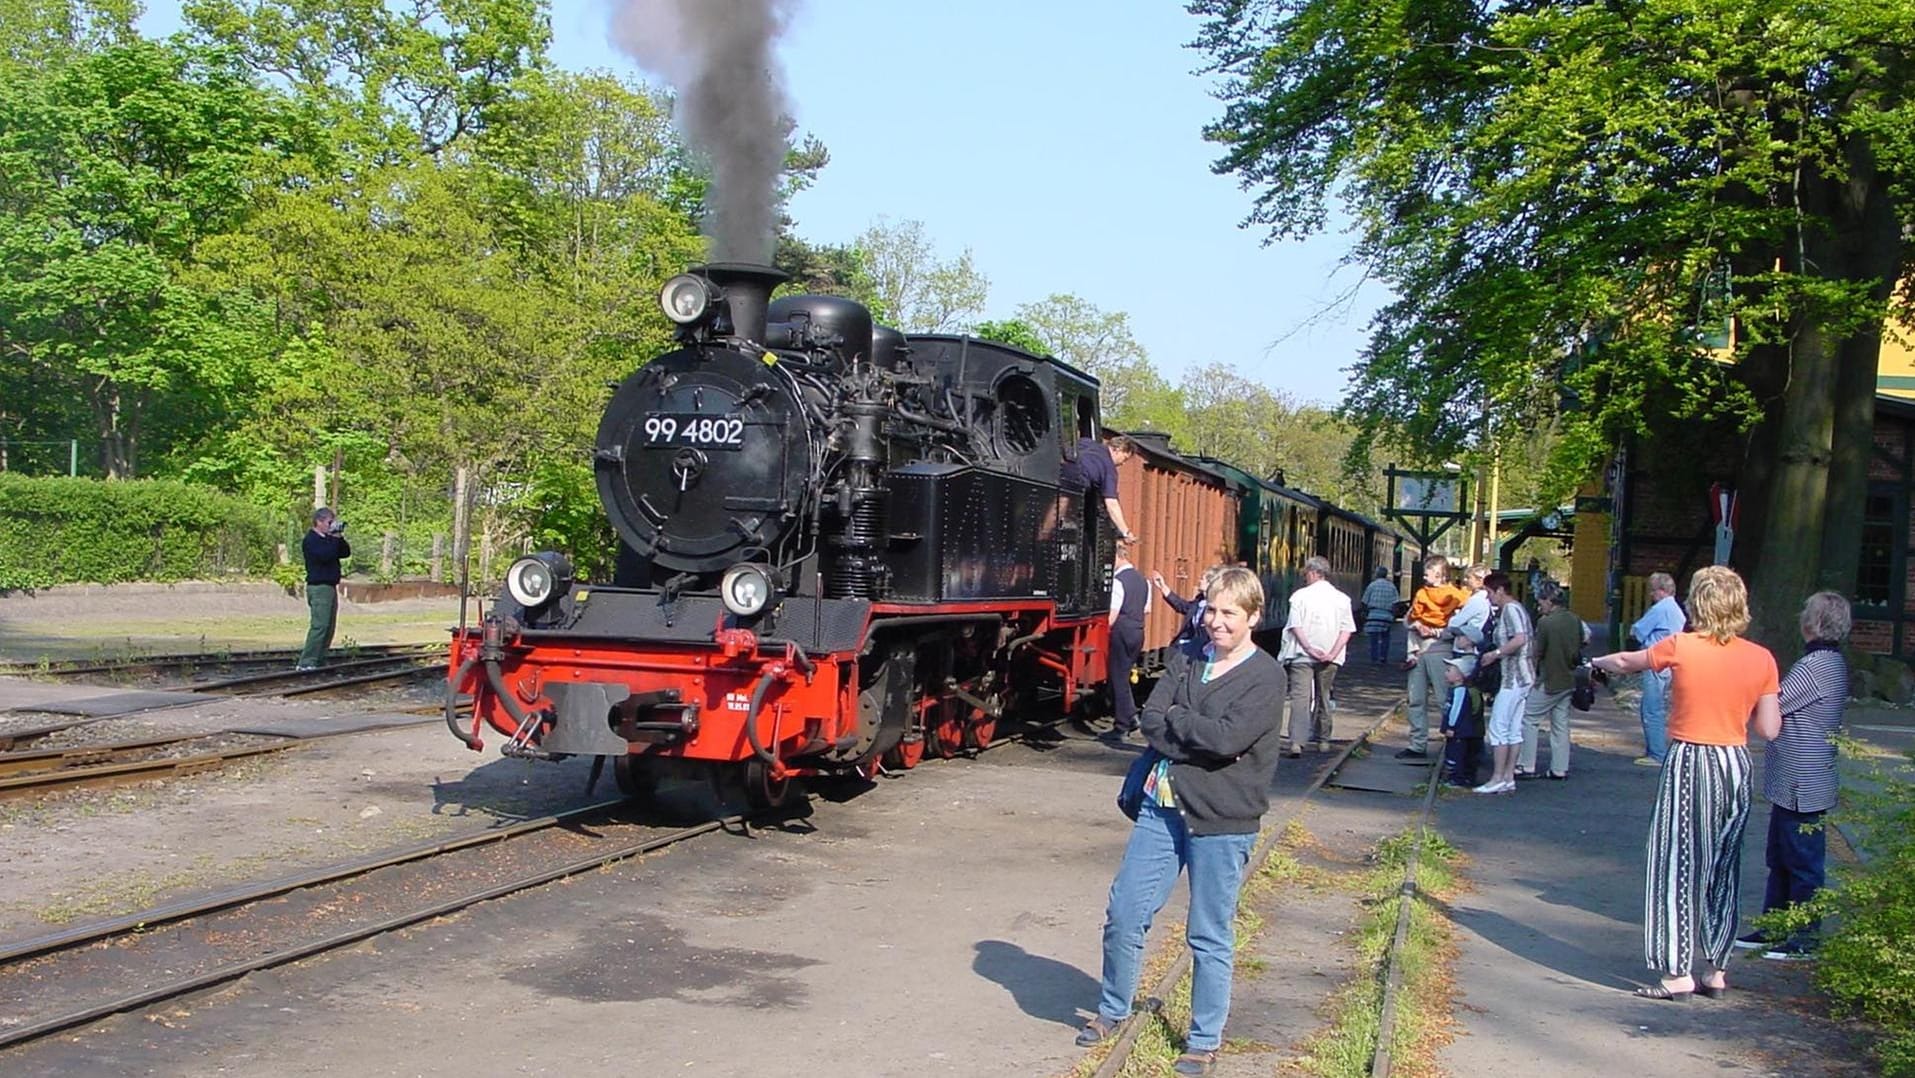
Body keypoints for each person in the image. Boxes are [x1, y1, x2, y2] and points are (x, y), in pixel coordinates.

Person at [1077, 567, 1285, 1077]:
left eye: (1228, 613)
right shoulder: (1187, 655)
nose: (1216, 621)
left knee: (1208, 933)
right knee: (1125, 912)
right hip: (1159, 805)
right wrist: (1188, 734)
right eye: (1211, 610)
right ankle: (1113, 1008)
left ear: (1253, 618)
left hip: (1222, 817)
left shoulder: (1266, 676)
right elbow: (1152, 719)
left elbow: (1227, 741)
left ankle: (1203, 1039)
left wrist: (1180, 727)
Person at [1590, 566, 1780, 1001]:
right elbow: (1769, 728)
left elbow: (1626, 662)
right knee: (1723, 865)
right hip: (1735, 762)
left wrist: (1596, 662)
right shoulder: (1762, 659)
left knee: (1676, 863)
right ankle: (1716, 968)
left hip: (1690, 759)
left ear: (1697, 604)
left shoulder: (1682, 645)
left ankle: (1677, 971)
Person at [1735, 591, 1850, 961]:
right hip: (1797, 776)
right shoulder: (1828, 662)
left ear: (1813, 623)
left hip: (1803, 778)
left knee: (1801, 861)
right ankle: (1776, 926)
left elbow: (1773, 701)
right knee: (1782, 857)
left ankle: (1804, 938)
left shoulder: (1815, 666)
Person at [1278, 555, 1355, 758]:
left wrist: (1309, 648)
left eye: (1306, 574)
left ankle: (1297, 742)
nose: (1305, 578)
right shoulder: (1342, 599)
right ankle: (1323, 741)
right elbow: (1347, 630)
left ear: (1313, 573)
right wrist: (1332, 652)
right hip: (1330, 657)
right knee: (1324, 696)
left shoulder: (1299, 597)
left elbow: (1295, 626)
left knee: (1300, 699)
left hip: (1301, 656)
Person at [1400, 556, 1471, 759]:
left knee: (1443, 698)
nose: (1424, 576)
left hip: (1440, 650)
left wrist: (1436, 632)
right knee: (1416, 698)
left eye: (1428, 573)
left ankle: (1453, 742)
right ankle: (1417, 744)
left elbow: (1460, 627)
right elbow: (1408, 619)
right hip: (1419, 650)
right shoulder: (1421, 593)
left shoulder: (1456, 597)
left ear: (1440, 574)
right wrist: (1415, 625)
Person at [1472, 571, 1534, 794]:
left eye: (1489, 592)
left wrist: (1495, 654)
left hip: (1513, 677)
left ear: (1500, 590)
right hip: (1524, 676)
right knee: (1514, 729)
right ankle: (1508, 777)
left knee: (1498, 726)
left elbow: (1520, 638)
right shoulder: (1518, 609)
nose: (1488, 598)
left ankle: (1497, 777)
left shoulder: (1510, 609)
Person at [1517, 580, 1581, 779]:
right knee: (1560, 724)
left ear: (1549, 601)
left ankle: (1526, 764)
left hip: (1549, 678)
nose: (1539, 606)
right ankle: (1559, 768)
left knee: (1529, 718)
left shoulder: (1545, 623)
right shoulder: (1574, 619)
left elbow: (1538, 651)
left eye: (1541, 601)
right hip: (1568, 677)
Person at [1630, 572, 1687, 766]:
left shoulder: (1660, 608)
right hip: (1669, 662)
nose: (1651, 595)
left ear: (1661, 591)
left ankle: (1656, 753)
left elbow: (1638, 630)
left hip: (1655, 661)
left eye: (1653, 591)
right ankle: (1656, 750)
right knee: (1657, 706)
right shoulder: (1677, 610)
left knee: (1651, 708)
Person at [1104, 543, 1150, 741]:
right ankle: (1131, 717)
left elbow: (1112, 615)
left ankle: (1122, 725)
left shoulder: (1118, 581)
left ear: (1117, 557)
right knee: (1123, 675)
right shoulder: (1143, 581)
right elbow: (1146, 609)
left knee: (1118, 678)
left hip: (1121, 631)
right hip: (1138, 630)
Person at [1061, 430, 1139, 544]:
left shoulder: (1087, 443)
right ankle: (1044, 537)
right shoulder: (1108, 469)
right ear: (1117, 450)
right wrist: (1125, 532)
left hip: (1056, 474)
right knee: (1062, 508)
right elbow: (1111, 503)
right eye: (1125, 458)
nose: (1123, 463)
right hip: (1071, 486)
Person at [299, 507, 351, 670]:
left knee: (329, 626)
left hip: (330, 586)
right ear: (319, 522)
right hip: (319, 586)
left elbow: (345, 552)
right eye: (329, 522)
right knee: (320, 625)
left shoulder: (330, 539)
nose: (331, 525)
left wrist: (338, 537)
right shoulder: (311, 540)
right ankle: (307, 661)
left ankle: (319, 659)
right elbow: (325, 556)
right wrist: (334, 540)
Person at [1404, 556, 1468, 667]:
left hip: (1420, 646)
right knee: (1441, 684)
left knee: (1416, 684)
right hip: (1442, 648)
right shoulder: (1457, 596)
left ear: (1438, 575)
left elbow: (1410, 618)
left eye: (1426, 575)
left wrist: (1417, 625)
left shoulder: (1422, 593)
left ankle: (1411, 655)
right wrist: (1436, 631)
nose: (1424, 578)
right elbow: (1459, 625)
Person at [1439, 654, 1485, 788]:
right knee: (1458, 753)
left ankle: (1457, 778)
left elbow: (1456, 710)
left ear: (1460, 676)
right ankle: (1459, 777)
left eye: (1449, 671)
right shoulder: (1456, 689)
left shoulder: (1460, 691)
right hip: (1461, 730)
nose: (1445, 673)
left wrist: (1451, 726)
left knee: (1456, 754)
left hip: (1459, 731)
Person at [1153, 565, 1222, 648]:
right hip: (1188, 645)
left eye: (1202, 579)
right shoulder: (1199, 601)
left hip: (1203, 649)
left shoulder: (1215, 606)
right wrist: (1162, 586)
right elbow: (1182, 606)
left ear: (1210, 583)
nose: (1199, 581)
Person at [1360, 567, 1400, 665]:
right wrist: (1394, 615)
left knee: (1374, 638)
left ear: (1377, 574)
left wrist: (1365, 612)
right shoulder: (1391, 586)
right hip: (1386, 615)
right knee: (1385, 637)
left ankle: (1374, 658)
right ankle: (1383, 657)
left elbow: (1364, 601)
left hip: (1373, 614)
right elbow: (1395, 603)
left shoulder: (1372, 585)